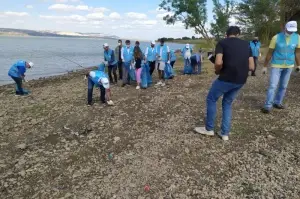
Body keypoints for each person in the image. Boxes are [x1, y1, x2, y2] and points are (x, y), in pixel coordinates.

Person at [194, 26, 254, 141]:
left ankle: (209, 129)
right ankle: (224, 133)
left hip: (226, 78)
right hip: (241, 80)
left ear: (226, 35)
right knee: (227, 103)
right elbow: (251, 66)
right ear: (238, 34)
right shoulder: (247, 44)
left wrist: (217, 71)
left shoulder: (222, 43)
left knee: (211, 99)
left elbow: (218, 62)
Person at [261, 21, 300, 114]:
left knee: (283, 86)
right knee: (273, 86)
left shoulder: (297, 37)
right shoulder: (276, 37)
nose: (291, 32)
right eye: (289, 30)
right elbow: (270, 52)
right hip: (276, 65)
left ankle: (278, 102)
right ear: (285, 28)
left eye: (293, 30)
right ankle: (267, 106)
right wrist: (265, 66)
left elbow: (297, 52)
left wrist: (298, 65)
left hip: (289, 65)